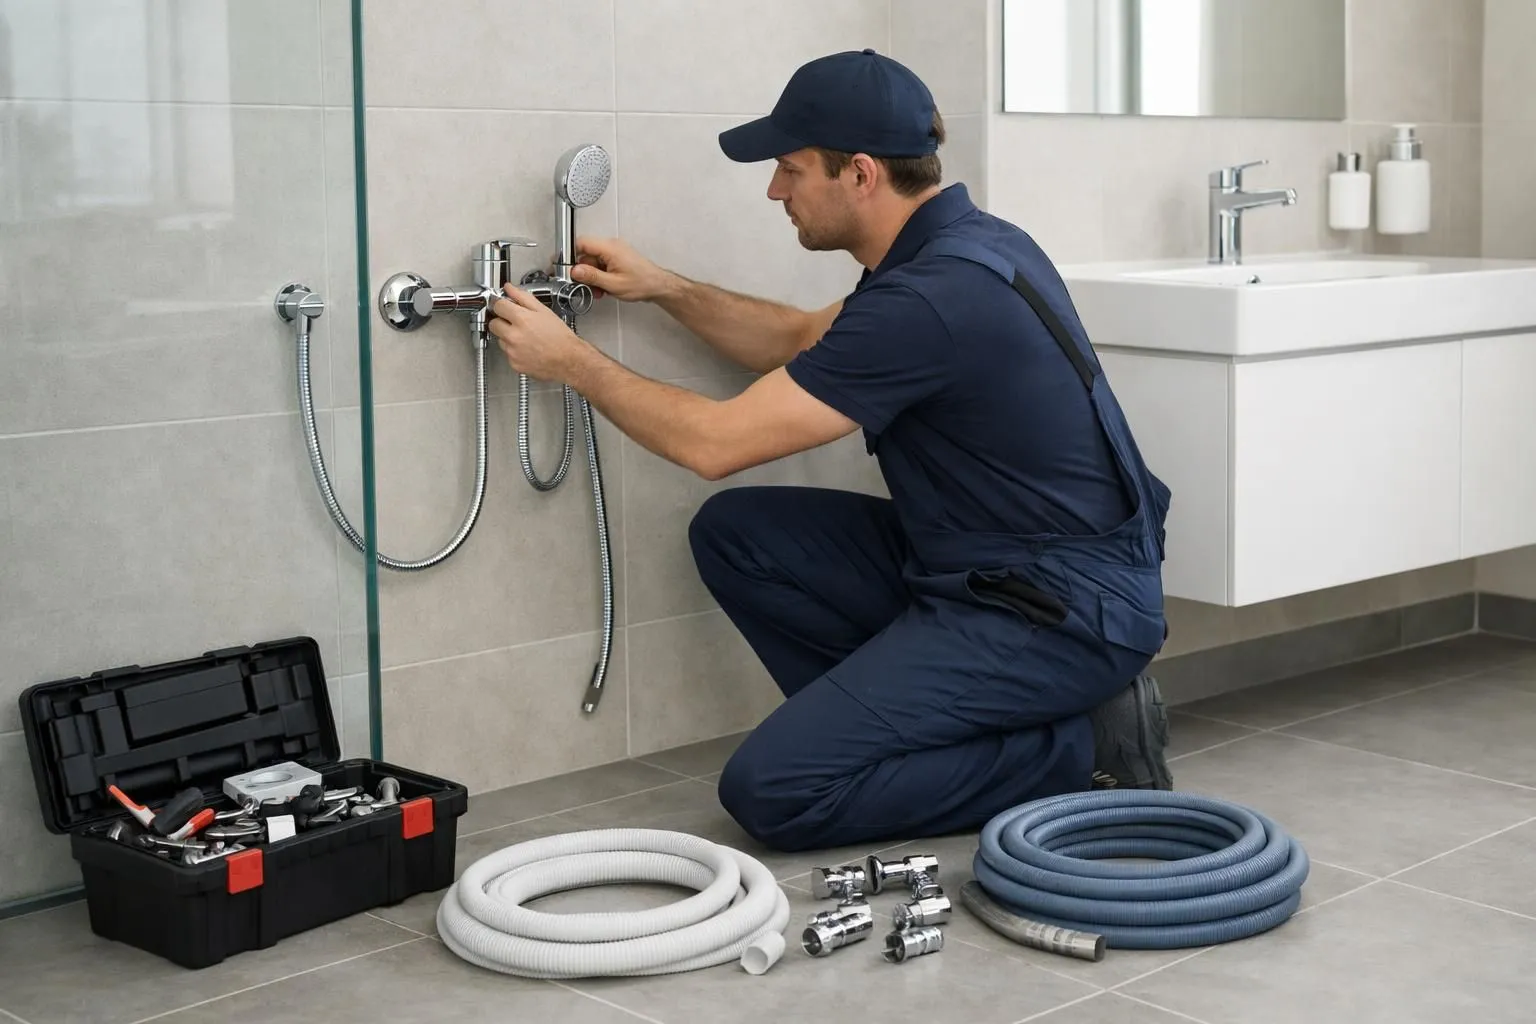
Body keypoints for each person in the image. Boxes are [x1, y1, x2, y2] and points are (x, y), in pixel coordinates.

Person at [486, 49, 1174, 853]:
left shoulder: (930, 299)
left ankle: (1085, 746)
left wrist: (571, 363)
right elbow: (797, 337)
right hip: (994, 568)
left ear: (861, 175)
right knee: (741, 536)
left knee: (775, 790)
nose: (776, 190)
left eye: (790, 168)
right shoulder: (962, 247)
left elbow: (715, 443)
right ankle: (908, 733)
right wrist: (662, 287)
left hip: (1058, 612)